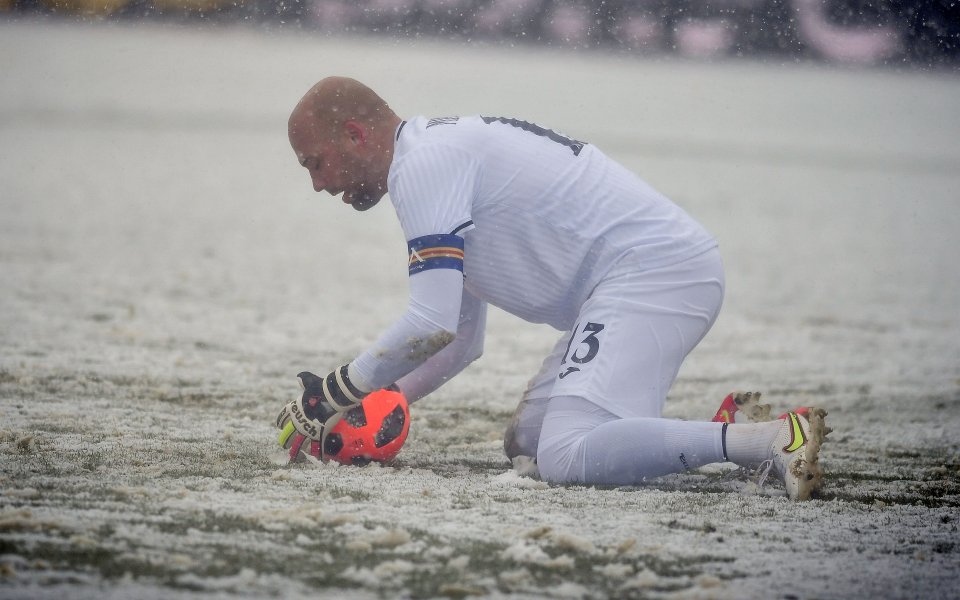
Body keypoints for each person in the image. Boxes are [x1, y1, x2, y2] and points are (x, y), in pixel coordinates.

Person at [275, 76, 828, 501]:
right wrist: (381, 399)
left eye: (315, 163)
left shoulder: (423, 169)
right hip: (640, 280)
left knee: (566, 456)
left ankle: (773, 440)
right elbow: (462, 339)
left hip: (657, 273)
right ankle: (720, 438)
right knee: (531, 445)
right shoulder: (428, 162)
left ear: (355, 134)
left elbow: (431, 324)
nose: (317, 184)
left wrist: (330, 394)